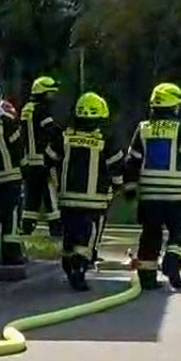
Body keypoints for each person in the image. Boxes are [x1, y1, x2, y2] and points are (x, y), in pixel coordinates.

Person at [124, 81, 181, 292]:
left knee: (150, 234)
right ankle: (172, 261)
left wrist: (130, 188)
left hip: (148, 195)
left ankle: (147, 276)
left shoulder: (143, 128)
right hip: (176, 194)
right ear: (174, 106)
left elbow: (132, 161)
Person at [47, 91, 124, 291]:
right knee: (87, 236)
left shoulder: (65, 135)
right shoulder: (105, 139)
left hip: (67, 199)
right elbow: (116, 166)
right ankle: (79, 270)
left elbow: (49, 160)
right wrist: (118, 186)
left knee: (70, 234)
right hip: (94, 201)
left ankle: (67, 262)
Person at [19, 75, 65, 236]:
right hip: (43, 160)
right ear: (43, 94)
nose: (53, 97)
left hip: (28, 161)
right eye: (50, 93)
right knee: (49, 193)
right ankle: (56, 227)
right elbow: (52, 131)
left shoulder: (26, 109)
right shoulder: (42, 110)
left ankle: (27, 226)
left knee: (31, 196)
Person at [0, 97, 29, 266]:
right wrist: (26, 168)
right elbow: (19, 149)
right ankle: (12, 253)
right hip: (10, 176)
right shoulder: (8, 123)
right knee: (11, 216)